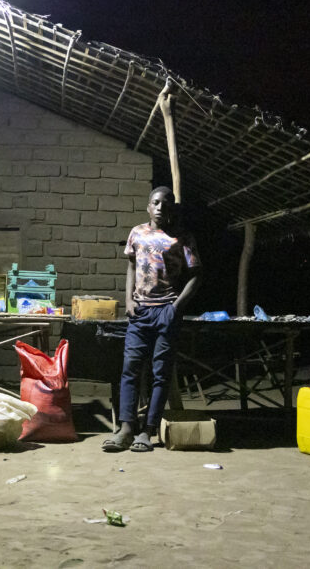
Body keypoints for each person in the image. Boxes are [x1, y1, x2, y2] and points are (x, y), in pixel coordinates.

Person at [102, 186, 202, 453]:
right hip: (140, 313)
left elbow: (196, 276)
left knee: (160, 374)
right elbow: (132, 266)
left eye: (166, 203)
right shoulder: (137, 233)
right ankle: (125, 428)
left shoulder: (182, 237)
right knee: (130, 370)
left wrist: (175, 308)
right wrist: (129, 300)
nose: (160, 207)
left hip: (166, 312)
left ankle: (147, 431)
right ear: (148, 207)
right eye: (155, 203)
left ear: (171, 209)